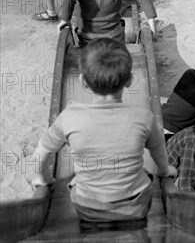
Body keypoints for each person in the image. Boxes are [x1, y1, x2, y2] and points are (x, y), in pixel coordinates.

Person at [31, 38, 176, 222]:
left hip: (87, 209)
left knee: (76, 180)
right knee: (145, 175)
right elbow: (159, 154)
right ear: (130, 80)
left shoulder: (69, 117)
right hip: (136, 208)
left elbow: (40, 153)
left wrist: (40, 178)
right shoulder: (144, 117)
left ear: (83, 81)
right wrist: (165, 171)